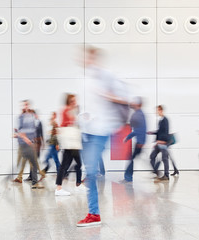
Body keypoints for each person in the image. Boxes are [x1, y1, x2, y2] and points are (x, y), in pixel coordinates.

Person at [77, 47, 129, 227]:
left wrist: (107, 95)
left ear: (93, 58)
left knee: (90, 172)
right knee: (89, 171)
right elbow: (87, 106)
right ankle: (94, 213)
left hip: (102, 130)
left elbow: (124, 98)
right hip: (87, 130)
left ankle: (94, 214)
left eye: (85, 56)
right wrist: (84, 115)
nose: (82, 59)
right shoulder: (85, 79)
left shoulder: (106, 76)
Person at [55, 94, 86, 196]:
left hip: (73, 143)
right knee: (65, 165)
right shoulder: (66, 110)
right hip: (69, 142)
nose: (74, 102)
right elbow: (64, 124)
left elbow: (75, 123)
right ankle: (59, 188)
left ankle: (78, 184)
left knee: (78, 164)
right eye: (72, 101)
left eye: (75, 100)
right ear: (68, 101)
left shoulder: (72, 110)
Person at [14, 100, 44, 189]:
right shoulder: (21, 117)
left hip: (30, 144)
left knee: (33, 163)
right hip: (24, 144)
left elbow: (34, 131)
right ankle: (37, 179)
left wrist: (34, 141)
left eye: (27, 105)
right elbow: (20, 131)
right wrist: (24, 138)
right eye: (24, 105)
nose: (26, 106)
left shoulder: (31, 117)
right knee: (23, 162)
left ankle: (34, 182)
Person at [122, 97, 147, 183]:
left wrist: (141, 142)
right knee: (133, 159)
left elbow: (140, 130)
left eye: (134, 102)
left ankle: (128, 178)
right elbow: (137, 130)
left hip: (139, 143)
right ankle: (128, 177)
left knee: (131, 159)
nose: (132, 103)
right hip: (140, 142)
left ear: (138, 104)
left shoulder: (138, 115)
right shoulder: (139, 114)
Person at [148, 105, 173, 182]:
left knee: (164, 159)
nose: (156, 112)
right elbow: (159, 132)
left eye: (157, 110)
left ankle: (166, 175)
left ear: (161, 110)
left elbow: (166, 132)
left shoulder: (165, 120)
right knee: (152, 156)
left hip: (163, 143)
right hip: (159, 143)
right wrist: (151, 133)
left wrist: (162, 141)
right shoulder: (160, 121)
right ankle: (157, 171)